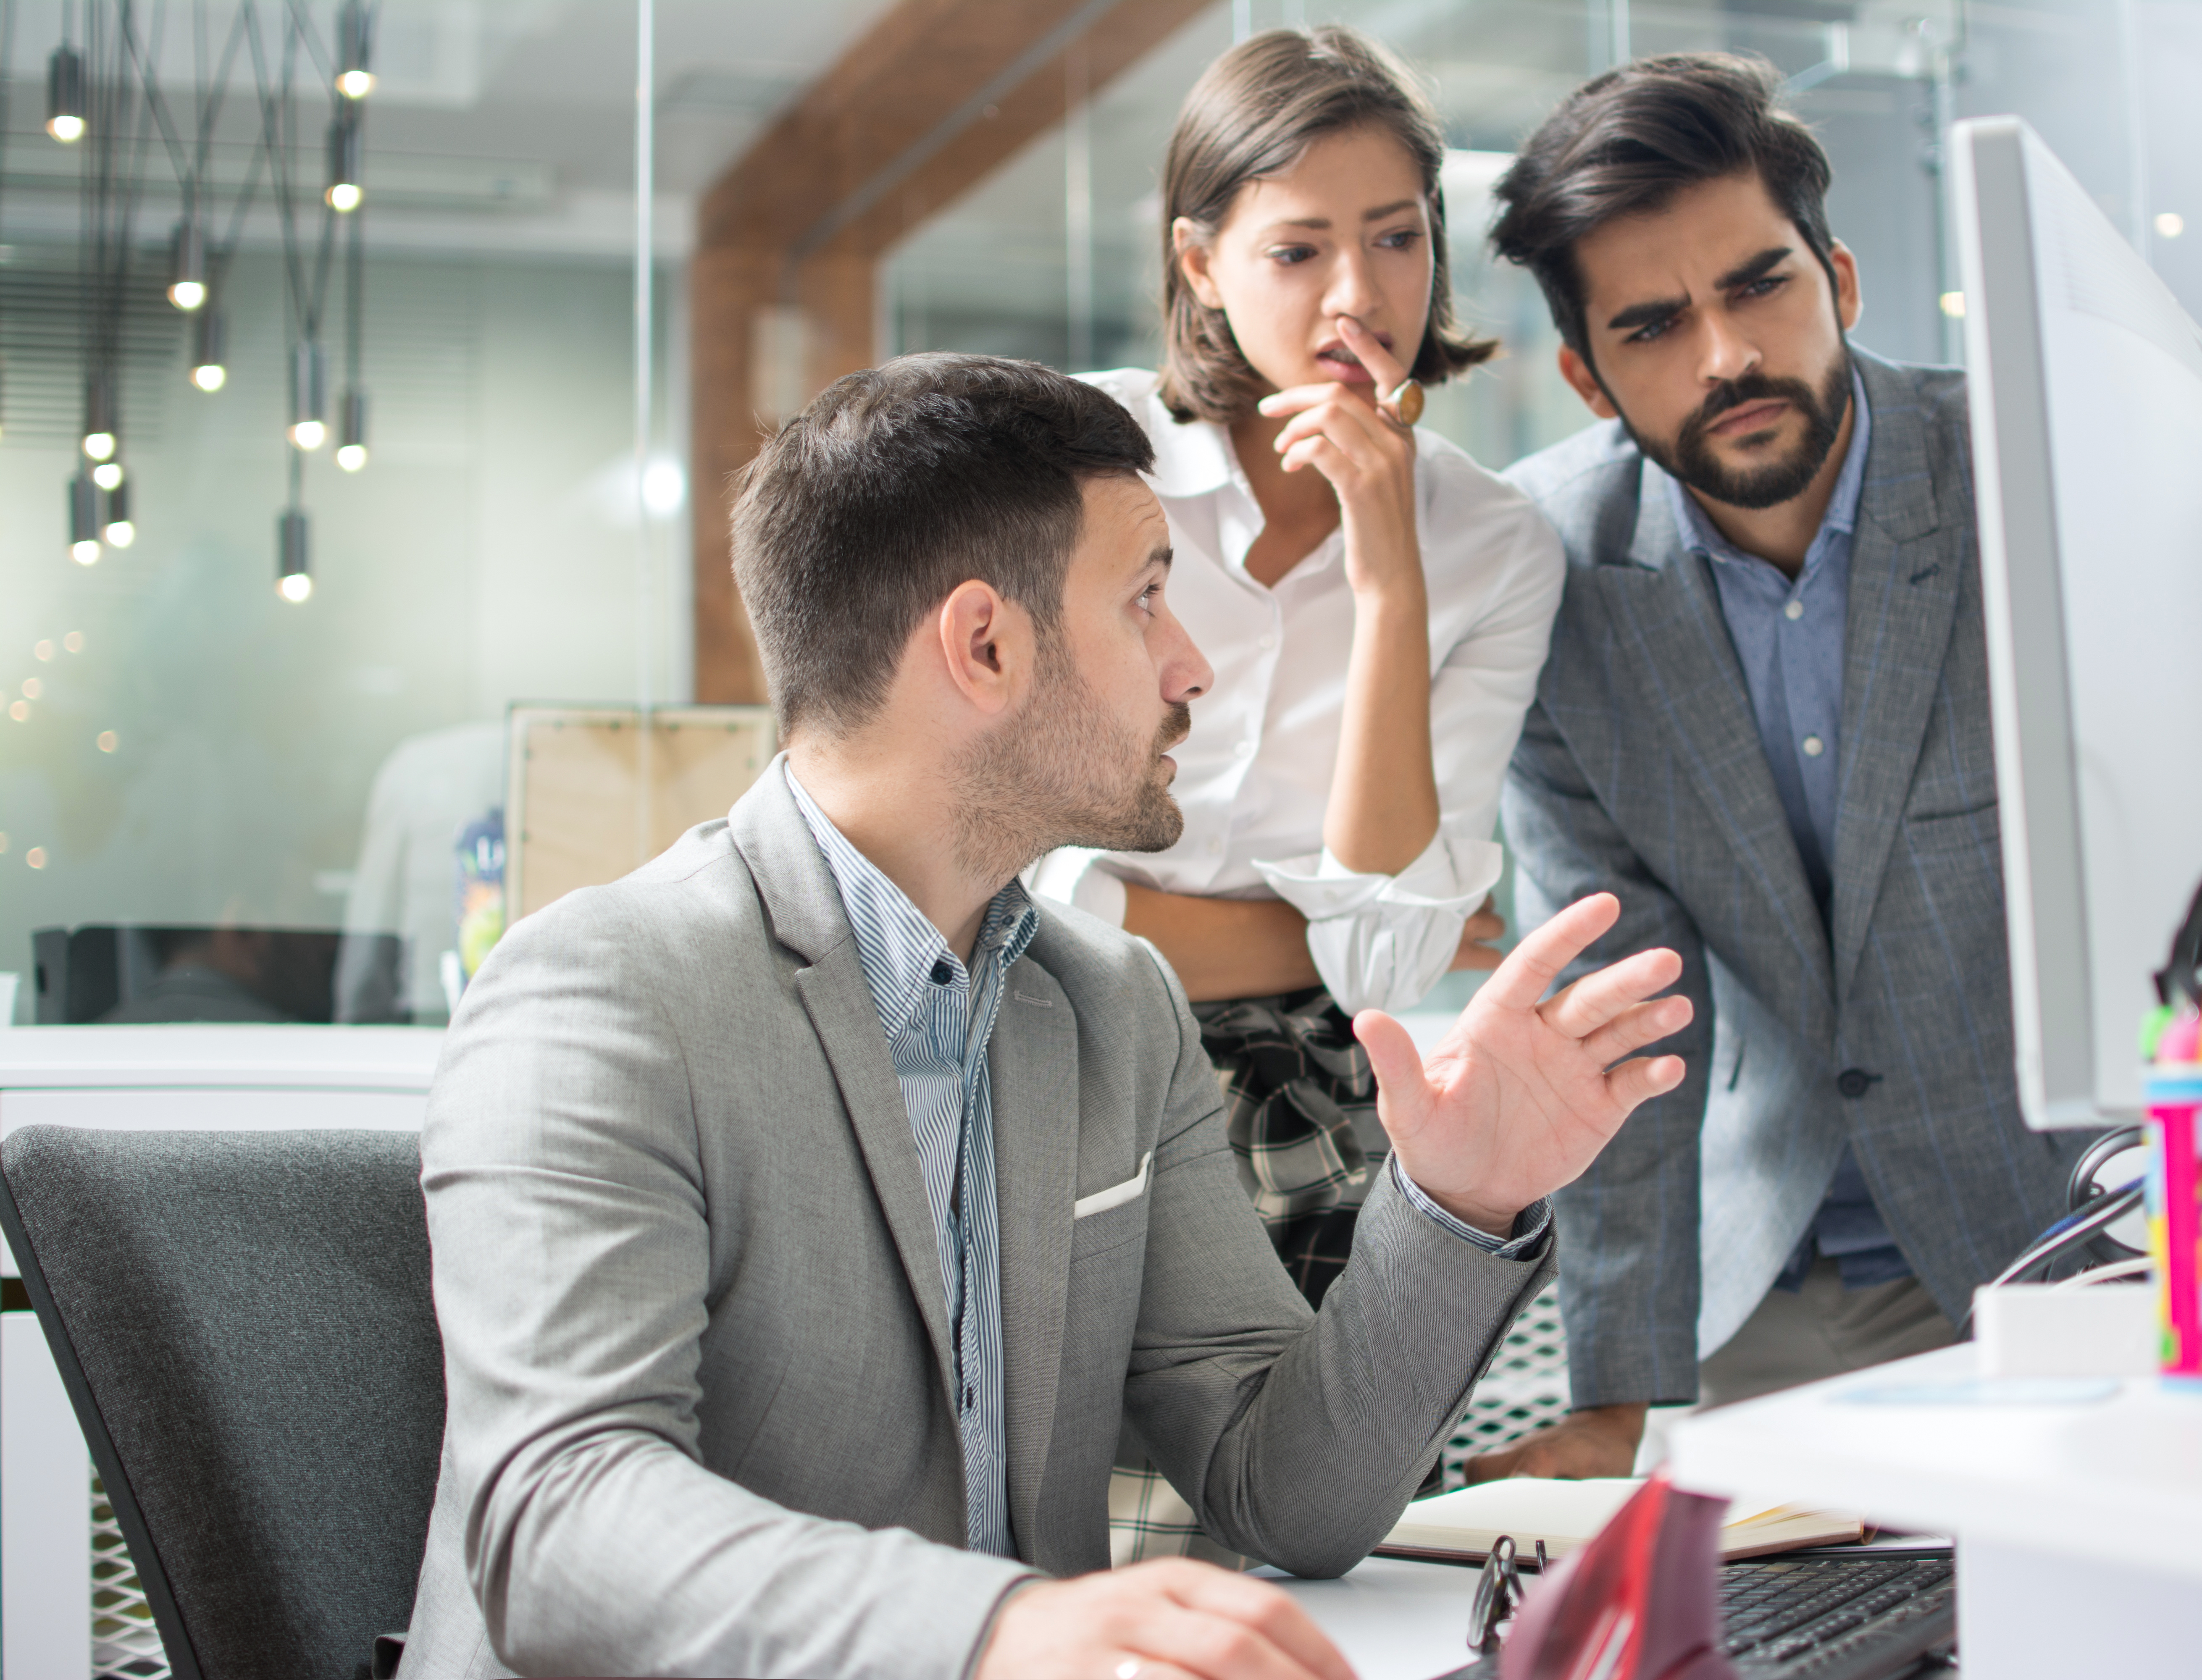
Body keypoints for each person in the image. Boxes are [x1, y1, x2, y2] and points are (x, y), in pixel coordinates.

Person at [396, 352, 1691, 1679]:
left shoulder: (1112, 1006)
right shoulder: (599, 996)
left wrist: (1460, 1202)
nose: (1192, 667)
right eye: (1147, 602)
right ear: (987, 646)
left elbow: (1288, 1496)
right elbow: (555, 1524)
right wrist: (998, 1626)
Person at [1467, 54, 2093, 1480]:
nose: (1725, 359)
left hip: (2064, 1247)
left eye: (1760, 287)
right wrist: (1615, 1394)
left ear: (1841, 280)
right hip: (1769, 1282)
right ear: (1585, 375)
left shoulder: (2031, 482)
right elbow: (1617, 1003)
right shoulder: (1550, 576)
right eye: (1653, 325)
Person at [1032, 27, 1566, 1559]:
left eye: (1397, 238)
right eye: (1298, 249)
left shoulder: (1493, 545)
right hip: (1055, 1054)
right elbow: (1016, 882)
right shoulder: (1081, 456)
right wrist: (1300, 930)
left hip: (1322, 1110)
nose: (1358, 296)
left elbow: (1384, 966)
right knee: (1068, 1544)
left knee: (1323, 1554)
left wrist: (1388, 577)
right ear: (1200, 262)